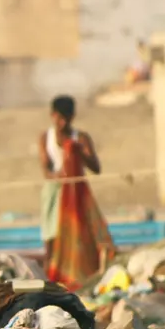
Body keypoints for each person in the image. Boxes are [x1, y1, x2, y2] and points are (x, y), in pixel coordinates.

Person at [37, 96, 113, 291]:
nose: (62, 123)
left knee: (80, 238)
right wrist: (61, 176)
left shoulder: (81, 138)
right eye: (59, 118)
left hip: (76, 194)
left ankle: (80, 281)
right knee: (51, 241)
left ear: (72, 117)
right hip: (55, 193)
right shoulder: (46, 138)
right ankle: (50, 283)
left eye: (66, 119)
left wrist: (78, 153)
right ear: (52, 116)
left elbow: (96, 167)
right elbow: (46, 169)